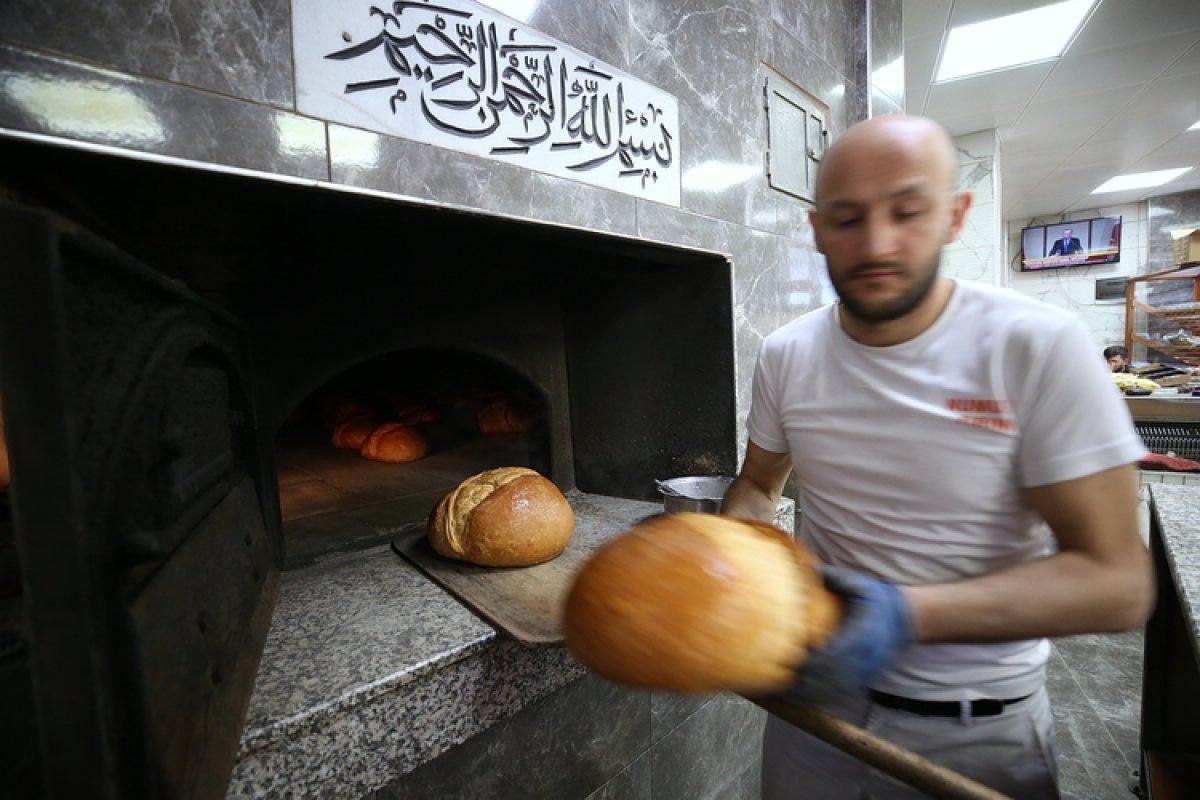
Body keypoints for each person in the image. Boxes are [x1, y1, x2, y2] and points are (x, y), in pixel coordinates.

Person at [721, 115, 1152, 799]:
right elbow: (756, 486)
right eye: (847, 219)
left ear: (955, 216)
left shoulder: (1036, 347)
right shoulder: (787, 354)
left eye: (907, 212)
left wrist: (904, 614)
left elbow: (1118, 584)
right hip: (813, 717)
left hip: (974, 734)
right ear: (817, 229)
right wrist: (731, 570)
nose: (876, 244)